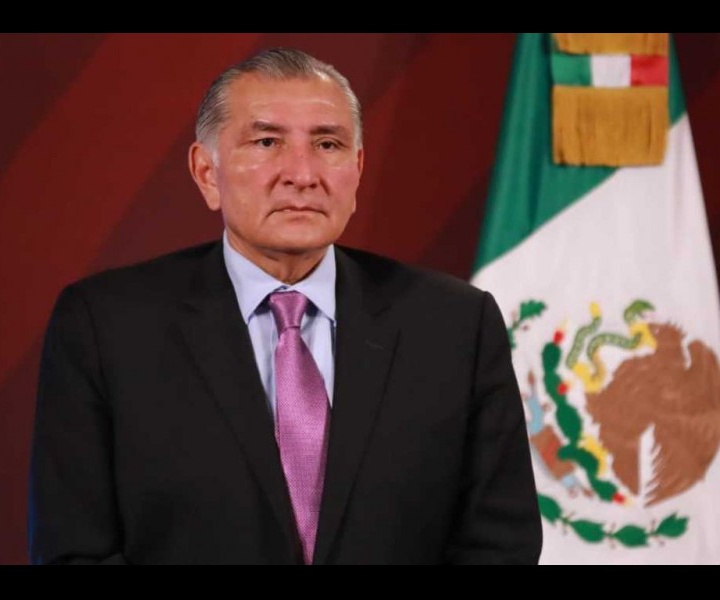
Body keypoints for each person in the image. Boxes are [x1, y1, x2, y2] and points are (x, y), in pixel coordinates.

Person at [28, 48, 542, 565]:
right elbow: (75, 550)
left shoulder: (455, 325)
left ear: (357, 168)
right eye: (267, 142)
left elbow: (500, 545)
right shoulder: (105, 327)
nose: (302, 173)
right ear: (206, 172)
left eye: (328, 144)